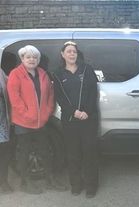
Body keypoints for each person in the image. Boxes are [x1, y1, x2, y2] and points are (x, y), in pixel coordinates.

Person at [7, 45, 66, 194]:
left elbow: (50, 96)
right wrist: (27, 114)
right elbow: (14, 98)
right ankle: (24, 182)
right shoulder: (16, 74)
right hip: (23, 122)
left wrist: (46, 112)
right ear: (22, 59)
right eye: (28, 57)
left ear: (38, 59)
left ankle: (50, 180)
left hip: (41, 121)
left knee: (45, 150)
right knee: (24, 152)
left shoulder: (43, 74)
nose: (32, 60)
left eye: (34, 57)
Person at [53, 41, 99, 198]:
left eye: (74, 51)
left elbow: (94, 92)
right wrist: (74, 112)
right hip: (70, 120)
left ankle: (91, 186)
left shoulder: (87, 69)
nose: (72, 54)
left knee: (89, 152)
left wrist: (86, 111)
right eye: (68, 51)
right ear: (62, 54)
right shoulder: (58, 74)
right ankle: (76, 185)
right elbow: (60, 97)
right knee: (73, 154)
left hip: (88, 118)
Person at [0, 68, 13, 194]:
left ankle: (3, 181)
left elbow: (10, 83)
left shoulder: (1, 72)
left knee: (3, 153)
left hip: (2, 121)